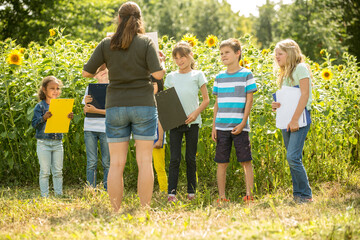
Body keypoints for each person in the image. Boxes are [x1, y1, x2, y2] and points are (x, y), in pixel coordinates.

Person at [82, 1, 165, 211]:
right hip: (143, 105)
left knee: (116, 163)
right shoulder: (146, 43)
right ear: (139, 20)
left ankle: (115, 210)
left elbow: (86, 73)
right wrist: (160, 62)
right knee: (144, 161)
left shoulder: (106, 43)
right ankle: (144, 208)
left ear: (118, 19)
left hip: (115, 106)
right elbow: (158, 75)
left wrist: (108, 64)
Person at [211, 38, 257, 203]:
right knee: (221, 162)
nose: (223, 56)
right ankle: (222, 197)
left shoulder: (246, 74)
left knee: (245, 161)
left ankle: (249, 195)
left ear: (238, 53)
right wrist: (214, 126)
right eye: (221, 53)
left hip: (240, 126)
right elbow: (216, 104)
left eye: (227, 52)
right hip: (222, 126)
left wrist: (243, 122)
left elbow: (249, 100)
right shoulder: (219, 77)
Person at [164, 41, 209, 202]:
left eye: (182, 56)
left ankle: (192, 192)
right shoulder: (170, 77)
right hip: (175, 123)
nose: (179, 61)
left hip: (193, 123)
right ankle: (171, 193)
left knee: (191, 157)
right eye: (176, 58)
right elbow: (167, 101)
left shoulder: (198, 75)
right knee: (174, 158)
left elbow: (206, 100)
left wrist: (195, 114)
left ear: (190, 56)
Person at [271, 39, 313, 203]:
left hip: (299, 118)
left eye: (280, 54)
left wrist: (295, 120)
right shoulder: (284, 73)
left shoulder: (301, 68)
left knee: (293, 157)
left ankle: (306, 195)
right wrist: (277, 105)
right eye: (276, 55)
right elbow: (288, 98)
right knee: (293, 158)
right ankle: (298, 195)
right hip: (286, 118)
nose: (277, 57)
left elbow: (304, 94)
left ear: (291, 53)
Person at [32, 76, 74, 197]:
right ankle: (45, 195)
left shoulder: (61, 106)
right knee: (45, 171)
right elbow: (34, 124)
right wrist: (43, 118)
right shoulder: (40, 107)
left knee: (58, 171)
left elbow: (60, 124)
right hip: (43, 143)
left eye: (57, 88)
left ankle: (58, 194)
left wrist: (68, 118)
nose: (55, 91)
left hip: (57, 142)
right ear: (44, 90)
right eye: (52, 88)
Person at [82, 63, 110, 190]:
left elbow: (114, 111)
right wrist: (87, 105)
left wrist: (96, 110)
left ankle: (107, 188)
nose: (101, 72)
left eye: (103, 69)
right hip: (90, 128)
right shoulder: (90, 88)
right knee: (91, 162)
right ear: (94, 76)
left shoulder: (114, 88)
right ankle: (90, 188)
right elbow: (85, 111)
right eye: (97, 71)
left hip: (105, 128)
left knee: (107, 162)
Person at [152, 76, 168, 193]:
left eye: (153, 85)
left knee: (159, 167)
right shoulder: (143, 100)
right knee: (145, 167)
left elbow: (161, 120)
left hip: (157, 138)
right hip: (144, 138)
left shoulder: (161, 100)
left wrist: (160, 139)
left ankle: (164, 190)